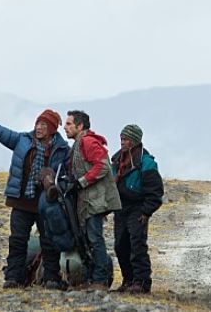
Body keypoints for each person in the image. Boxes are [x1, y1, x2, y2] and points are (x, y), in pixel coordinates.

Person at [0, 108, 71, 290]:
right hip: (21, 202)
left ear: (53, 129)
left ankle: (51, 278)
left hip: (46, 204)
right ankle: (13, 278)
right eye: (38, 123)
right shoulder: (22, 140)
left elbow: (67, 174)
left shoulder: (62, 150)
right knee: (17, 240)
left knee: (49, 241)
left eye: (44, 125)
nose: (38, 128)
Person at [62, 110, 122, 291]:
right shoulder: (79, 144)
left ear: (80, 126)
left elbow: (103, 166)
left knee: (95, 239)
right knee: (89, 239)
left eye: (69, 124)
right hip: (88, 201)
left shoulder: (88, 142)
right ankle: (91, 279)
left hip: (94, 201)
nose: (65, 127)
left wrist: (81, 182)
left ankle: (100, 280)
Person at [110, 124, 163, 294]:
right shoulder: (117, 160)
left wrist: (146, 212)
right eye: (121, 139)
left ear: (134, 141)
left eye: (126, 139)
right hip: (120, 208)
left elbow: (155, 192)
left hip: (138, 209)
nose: (122, 142)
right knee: (120, 245)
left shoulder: (146, 163)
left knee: (137, 245)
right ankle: (128, 280)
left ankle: (141, 282)